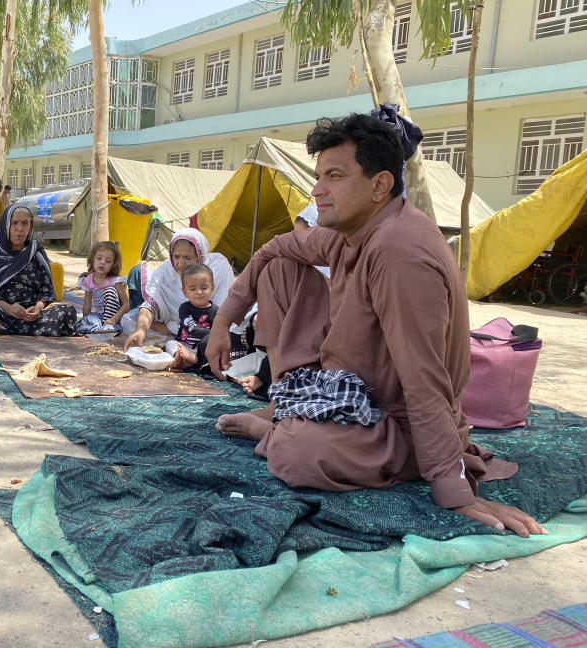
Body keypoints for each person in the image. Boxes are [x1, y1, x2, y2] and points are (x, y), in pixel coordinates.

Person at [206, 113, 544, 538]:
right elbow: (276, 247)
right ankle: (285, 408)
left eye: (334, 176)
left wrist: (452, 486)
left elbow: (425, 377)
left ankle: (278, 429)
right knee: (279, 268)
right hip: (345, 388)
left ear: (380, 184)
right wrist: (224, 322)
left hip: (392, 421)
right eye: (318, 176)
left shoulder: (398, 250)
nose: (317, 190)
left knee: (298, 453)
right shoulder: (352, 233)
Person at [0, 205, 76, 336]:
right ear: (5, 225)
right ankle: (23, 330)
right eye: (14, 223)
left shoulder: (36, 252)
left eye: (25, 223)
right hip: (0, 311)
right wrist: (8, 308)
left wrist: (38, 308)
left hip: (32, 315)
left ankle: (4, 329)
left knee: (67, 311)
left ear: (30, 226)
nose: (20, 229)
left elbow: (47, 291)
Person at [123, 228, 235, 350]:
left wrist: (169, 328)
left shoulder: (217, 269)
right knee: (133, 321)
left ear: (200, 255)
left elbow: (222, 317)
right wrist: (141, 330)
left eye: (188, 258)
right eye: (176, 257)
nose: (180, 263)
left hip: (205, 329)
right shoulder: (167, 269)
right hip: (184, 326)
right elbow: (149, 306)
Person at [168, 263, 218, 371]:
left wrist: (214, 336)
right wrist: (213, 334)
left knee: (213, 346)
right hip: (183, 345)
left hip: (201, 348)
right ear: (185, 292)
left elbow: (219, 333)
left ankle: (195, 360)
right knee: (170, 343)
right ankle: (178, 357)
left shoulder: (216, 311)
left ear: (212, 288)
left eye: (204, 288)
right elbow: (191, 328)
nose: (199, 292)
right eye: (193, 289)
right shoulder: (184, 308)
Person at [76, 240, 129, 334]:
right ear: (92, 260)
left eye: (108, 261)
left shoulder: (115, 281)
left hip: (116, 317)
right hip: (99, 317)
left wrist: (113, 319)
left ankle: (111, 327)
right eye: (99, 258)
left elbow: (127, 305)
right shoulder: (88, 281)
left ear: (113, 265)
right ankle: (98, 329)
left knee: (110, 291)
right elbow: (87, 304)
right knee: (86, 320)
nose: (103, 262)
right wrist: (86, 319)